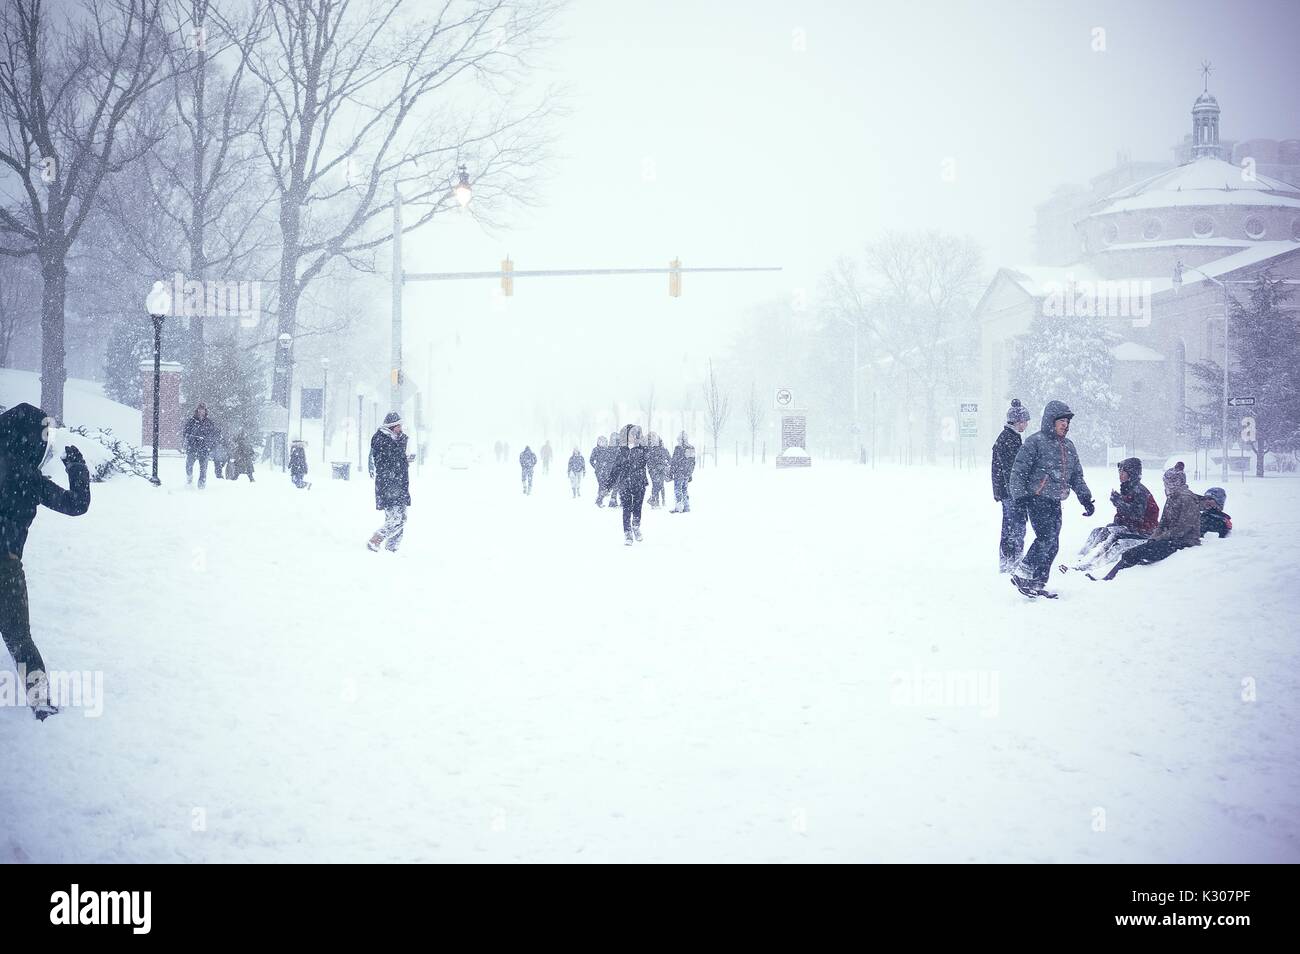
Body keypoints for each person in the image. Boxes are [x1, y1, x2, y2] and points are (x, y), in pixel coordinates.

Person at [0, 403, 91, 720]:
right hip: (5, 565)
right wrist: (77, 468)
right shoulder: (28, 476)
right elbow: (76, 505)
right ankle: (41, 701)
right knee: (19, 638)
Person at [1007, 400, 1095, 598]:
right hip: (1036, 498)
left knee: (1053, 543)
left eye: (1067, 421)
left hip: (1055, 500)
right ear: (1050, 421)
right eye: (1061, 421)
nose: (1065, 425)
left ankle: (1037, 582)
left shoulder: (1069, 446)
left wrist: (1085, 498)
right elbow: (1018, 471)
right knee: (1046, 538)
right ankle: (1023, 573)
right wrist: (1020, 497)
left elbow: (1076, 476)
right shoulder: (1035, 442)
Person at [1091, 463, 1209, 581]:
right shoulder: (1173, 498)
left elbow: (1182, 529)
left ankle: (1111, 579)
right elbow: (1162, 523)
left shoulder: (1186, 499)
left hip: (1183, 542)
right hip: (1170, 539)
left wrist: (1161, 537)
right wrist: (1154, 537)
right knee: (1131, 552)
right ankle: (1109, 576)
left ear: (1177, 482)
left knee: (1135, 553)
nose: (1166, 485)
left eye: (1168, 481)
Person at [1072, 457, 1158, 570]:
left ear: (1132, 474)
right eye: (1119, 472)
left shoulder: (1139, 491)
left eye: (1123, 472)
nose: (1120, 475)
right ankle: (1082, 556)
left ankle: (1095, 563)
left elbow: (1137, 515)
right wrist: (1118, 516)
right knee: (1099, 531)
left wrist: (1118, 502)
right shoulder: (1127, 487)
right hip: (1132, 527)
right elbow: (1124, 514)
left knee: (1114, 537)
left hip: (1144, 531)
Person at [991, 399, 1031, 572]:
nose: (1027, 424)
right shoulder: (1010, 440)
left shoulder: (1009, 437)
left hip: (1007, 492)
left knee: (1009, 526)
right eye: (1025, 421)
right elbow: (1012, 471)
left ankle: (1007, 561)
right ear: (1018, 421)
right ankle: (1013, 561)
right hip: (1012, 493)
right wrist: (1018, 493)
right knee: (1016, 527)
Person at [367, 412, 411, 552]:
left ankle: (391, 549)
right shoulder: (381, 440)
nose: (401, 429)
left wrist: (404, 458)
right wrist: (400, 459)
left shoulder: (394, 439)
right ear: (392, 427)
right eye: (399, 426)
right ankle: (375, 540)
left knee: (401, 518)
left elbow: (397, 458)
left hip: (398, 484)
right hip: (389, 485)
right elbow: (385, 463)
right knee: (396, 519)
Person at [609, 424, 649, 544]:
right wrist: (607, 486)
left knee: (637, 507)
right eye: (631, 434)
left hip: (639, 483)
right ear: (626, 436)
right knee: (626, 508)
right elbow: (615, 469)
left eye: (636, 434)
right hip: (625, 484)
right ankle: (627, 533)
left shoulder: (643, 450)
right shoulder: (622, 451)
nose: (634, 437)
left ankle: (636, 527)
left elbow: (651, 461)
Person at [182, 402, 218, 488]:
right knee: (189, 466)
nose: (201, 411)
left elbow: (213, 435)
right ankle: (189, 479)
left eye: (203, 410)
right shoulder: (191, 421)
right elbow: (185, 433)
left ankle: (201, 486)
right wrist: (191, 439)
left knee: (203, 469)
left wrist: (210, 445)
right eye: (200, 409)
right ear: (197, 410)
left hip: (204, 449)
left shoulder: (209, 422)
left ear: (205, 411)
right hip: (192, 448)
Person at [669, 431, 696, 513]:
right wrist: (690, 473)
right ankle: (687, 506)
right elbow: (693, 462)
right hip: (687, 473)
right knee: (684, 489)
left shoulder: (678, 448)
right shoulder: (691, 448)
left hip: (679, 473)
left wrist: (671, 472)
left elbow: (674, 461)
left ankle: (679, 507)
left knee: (678, 489)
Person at [647, 433, 671, 508]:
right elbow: (649, 461)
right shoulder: (651, 449)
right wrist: (653, 468)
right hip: (654, 470)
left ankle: (657, 500)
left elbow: (669, 459)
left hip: (661, 470)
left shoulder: (663, 449)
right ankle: (656, 502)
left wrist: (665, 465)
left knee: (660, 485)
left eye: (656, 440)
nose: (654, 442)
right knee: (657, 484)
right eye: (653, 440)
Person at [591, 435, 613, 507]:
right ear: (598, 442)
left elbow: (611, 460)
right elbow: (591, 460)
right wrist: (596, 467)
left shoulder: (608, 450)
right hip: (599, 471)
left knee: (605, 485)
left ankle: (599, 499)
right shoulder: (595, 449)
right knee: (602, 485)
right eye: (600, 441)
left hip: (607, 471)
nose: (602, 443)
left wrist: (609, 467)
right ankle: (599, 500)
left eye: (603, 441)